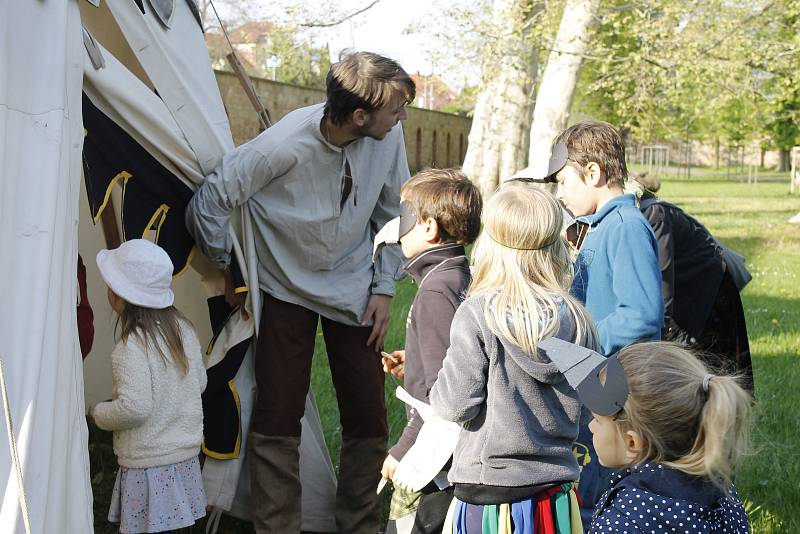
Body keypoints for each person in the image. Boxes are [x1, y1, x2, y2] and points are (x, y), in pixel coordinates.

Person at [185, 51, 416, 533]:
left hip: (354, 286)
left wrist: (385, 288)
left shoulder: (387, 137)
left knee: (368, 413)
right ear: (359, 116)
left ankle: (359, 526)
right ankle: (277, 527)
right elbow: (210, 199)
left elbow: (395, 216)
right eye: (395, 110)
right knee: (277, 412)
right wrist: (230, 267)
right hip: (283, 287)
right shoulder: (284, 144)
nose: (402, 118)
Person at [429, 184, 599, 533]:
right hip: (556, 498)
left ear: (490, 246)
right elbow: (591, 406)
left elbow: (453, 405)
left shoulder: (477, 315)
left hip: (488, 496)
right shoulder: (580, 321)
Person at [544, 121, 664, 519]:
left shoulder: (626, 228)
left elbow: (641, 316)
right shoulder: (601, 227)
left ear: (592, 173)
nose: (559, 194)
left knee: (605, 496)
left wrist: (577, 343)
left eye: (563, 182)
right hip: (595, 386)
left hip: (617, 392)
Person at [378, 168, 482, 534]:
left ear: (428, 227)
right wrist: (416, 357)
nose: (398, 226)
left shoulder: (436, 290)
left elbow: (440, 399)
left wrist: (402, 449)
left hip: (434, 456)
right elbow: (457, 357)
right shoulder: (456, 274)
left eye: (405, 216)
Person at [90, 239, 207, 534]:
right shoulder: (184, 332)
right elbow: (200, 382)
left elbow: (135, 407)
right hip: (185, 461)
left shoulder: (131, 347)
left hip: (149, 467)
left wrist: (99, 413)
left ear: (118, 294)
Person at [587, 341, 751, 533]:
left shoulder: (620, 522)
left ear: (632, 442)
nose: (590, 426)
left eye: (597, 420)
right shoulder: (722, 490)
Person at [626, 173, 754, 392]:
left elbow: (662, 283)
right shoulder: (635, 218)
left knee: (709, 372)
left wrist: (665, 339)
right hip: (685, 292)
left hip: (709, 290)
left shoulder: (654, 214)